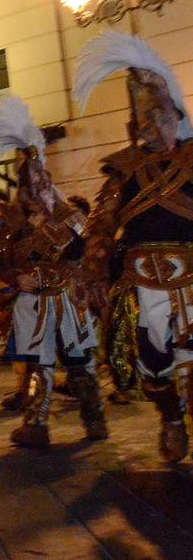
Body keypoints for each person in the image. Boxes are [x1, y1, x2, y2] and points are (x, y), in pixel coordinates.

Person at [76, 31, 193, 464]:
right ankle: (172, 419)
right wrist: (94, 272)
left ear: (175, 116)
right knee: (153, 365)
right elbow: (101, 226)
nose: (152, 125)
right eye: (145, 118)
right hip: (144, 285)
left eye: (160, 115)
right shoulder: (122, 170)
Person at [0, 96, 106, 448]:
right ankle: (35, 425)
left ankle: (94, 418)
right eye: (30, 184)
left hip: (67, 298)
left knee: (80, 365)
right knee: (38, 367)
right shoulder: (12, 221)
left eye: (41, 182)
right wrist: (15, 278)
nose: (37, 189)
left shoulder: (68, 217)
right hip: (32, 303)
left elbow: (87, 253)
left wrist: (77, 275)